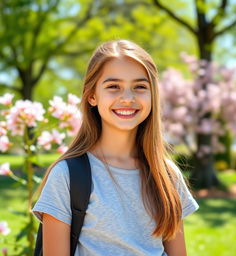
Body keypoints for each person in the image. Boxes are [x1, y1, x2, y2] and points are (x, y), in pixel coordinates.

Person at [31, 39, 199, 256]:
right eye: (113, 87)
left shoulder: (166, 175)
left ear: (152, 95)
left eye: (140, 87)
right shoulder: (67, 176)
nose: (127, 98)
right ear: (92, 96)